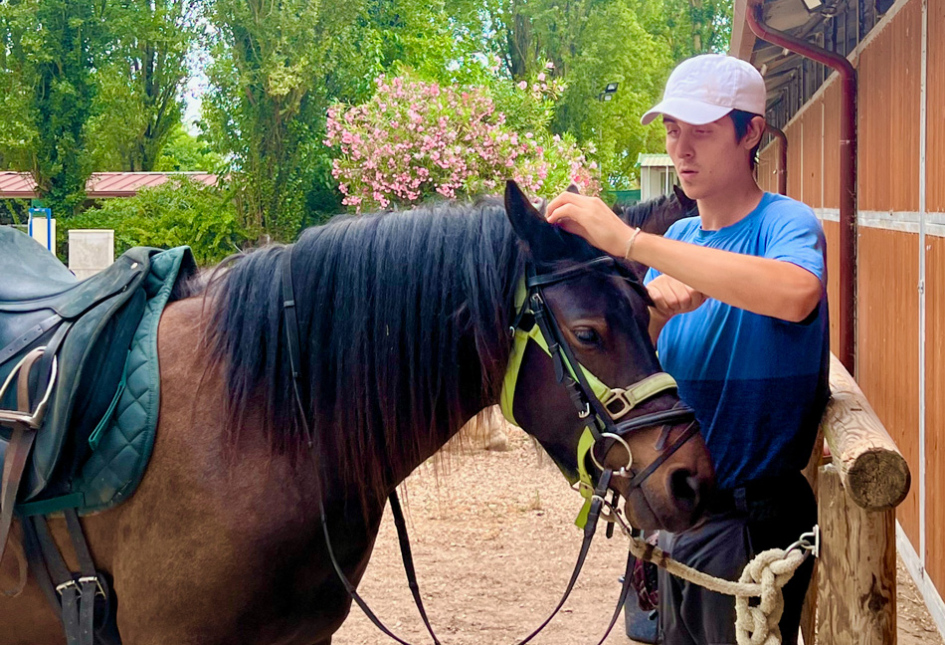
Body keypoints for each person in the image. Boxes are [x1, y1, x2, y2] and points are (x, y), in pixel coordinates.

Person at [545, 53, 829, 645]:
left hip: (749, 519)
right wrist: (653, 317)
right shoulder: (679, 236)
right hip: (671, 504)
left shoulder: (786, 222)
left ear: (750, 131)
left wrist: (629, 242)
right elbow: (646, 363)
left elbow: (797, 294)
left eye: (701, 131)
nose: (682, 149)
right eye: (674, 131)